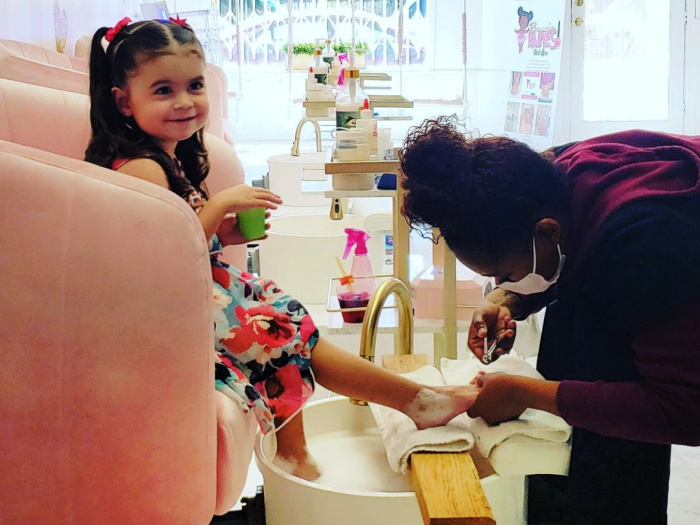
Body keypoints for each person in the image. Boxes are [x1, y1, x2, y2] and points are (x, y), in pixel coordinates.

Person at [84, 19, 479, 482]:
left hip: (192, 292)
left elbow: (184, 240)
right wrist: (220, 206)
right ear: (124, 100)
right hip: (161, 310)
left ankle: (364, 422)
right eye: (164, 90)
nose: (185, 101)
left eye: (194, 85)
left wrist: (223, 234)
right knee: (277, 328)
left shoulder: (167, 156)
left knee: (288, 317)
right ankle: (406, 405)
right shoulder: (140, 169)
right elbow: (163, 260)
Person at [398, 115, 700, 524]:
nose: (501, 284)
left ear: (548, 232)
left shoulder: (648, 242)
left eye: (505, 274)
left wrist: (525, 394)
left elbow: (685, 411)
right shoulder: (553, 174)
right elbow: (571, 269)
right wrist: (510, 299)